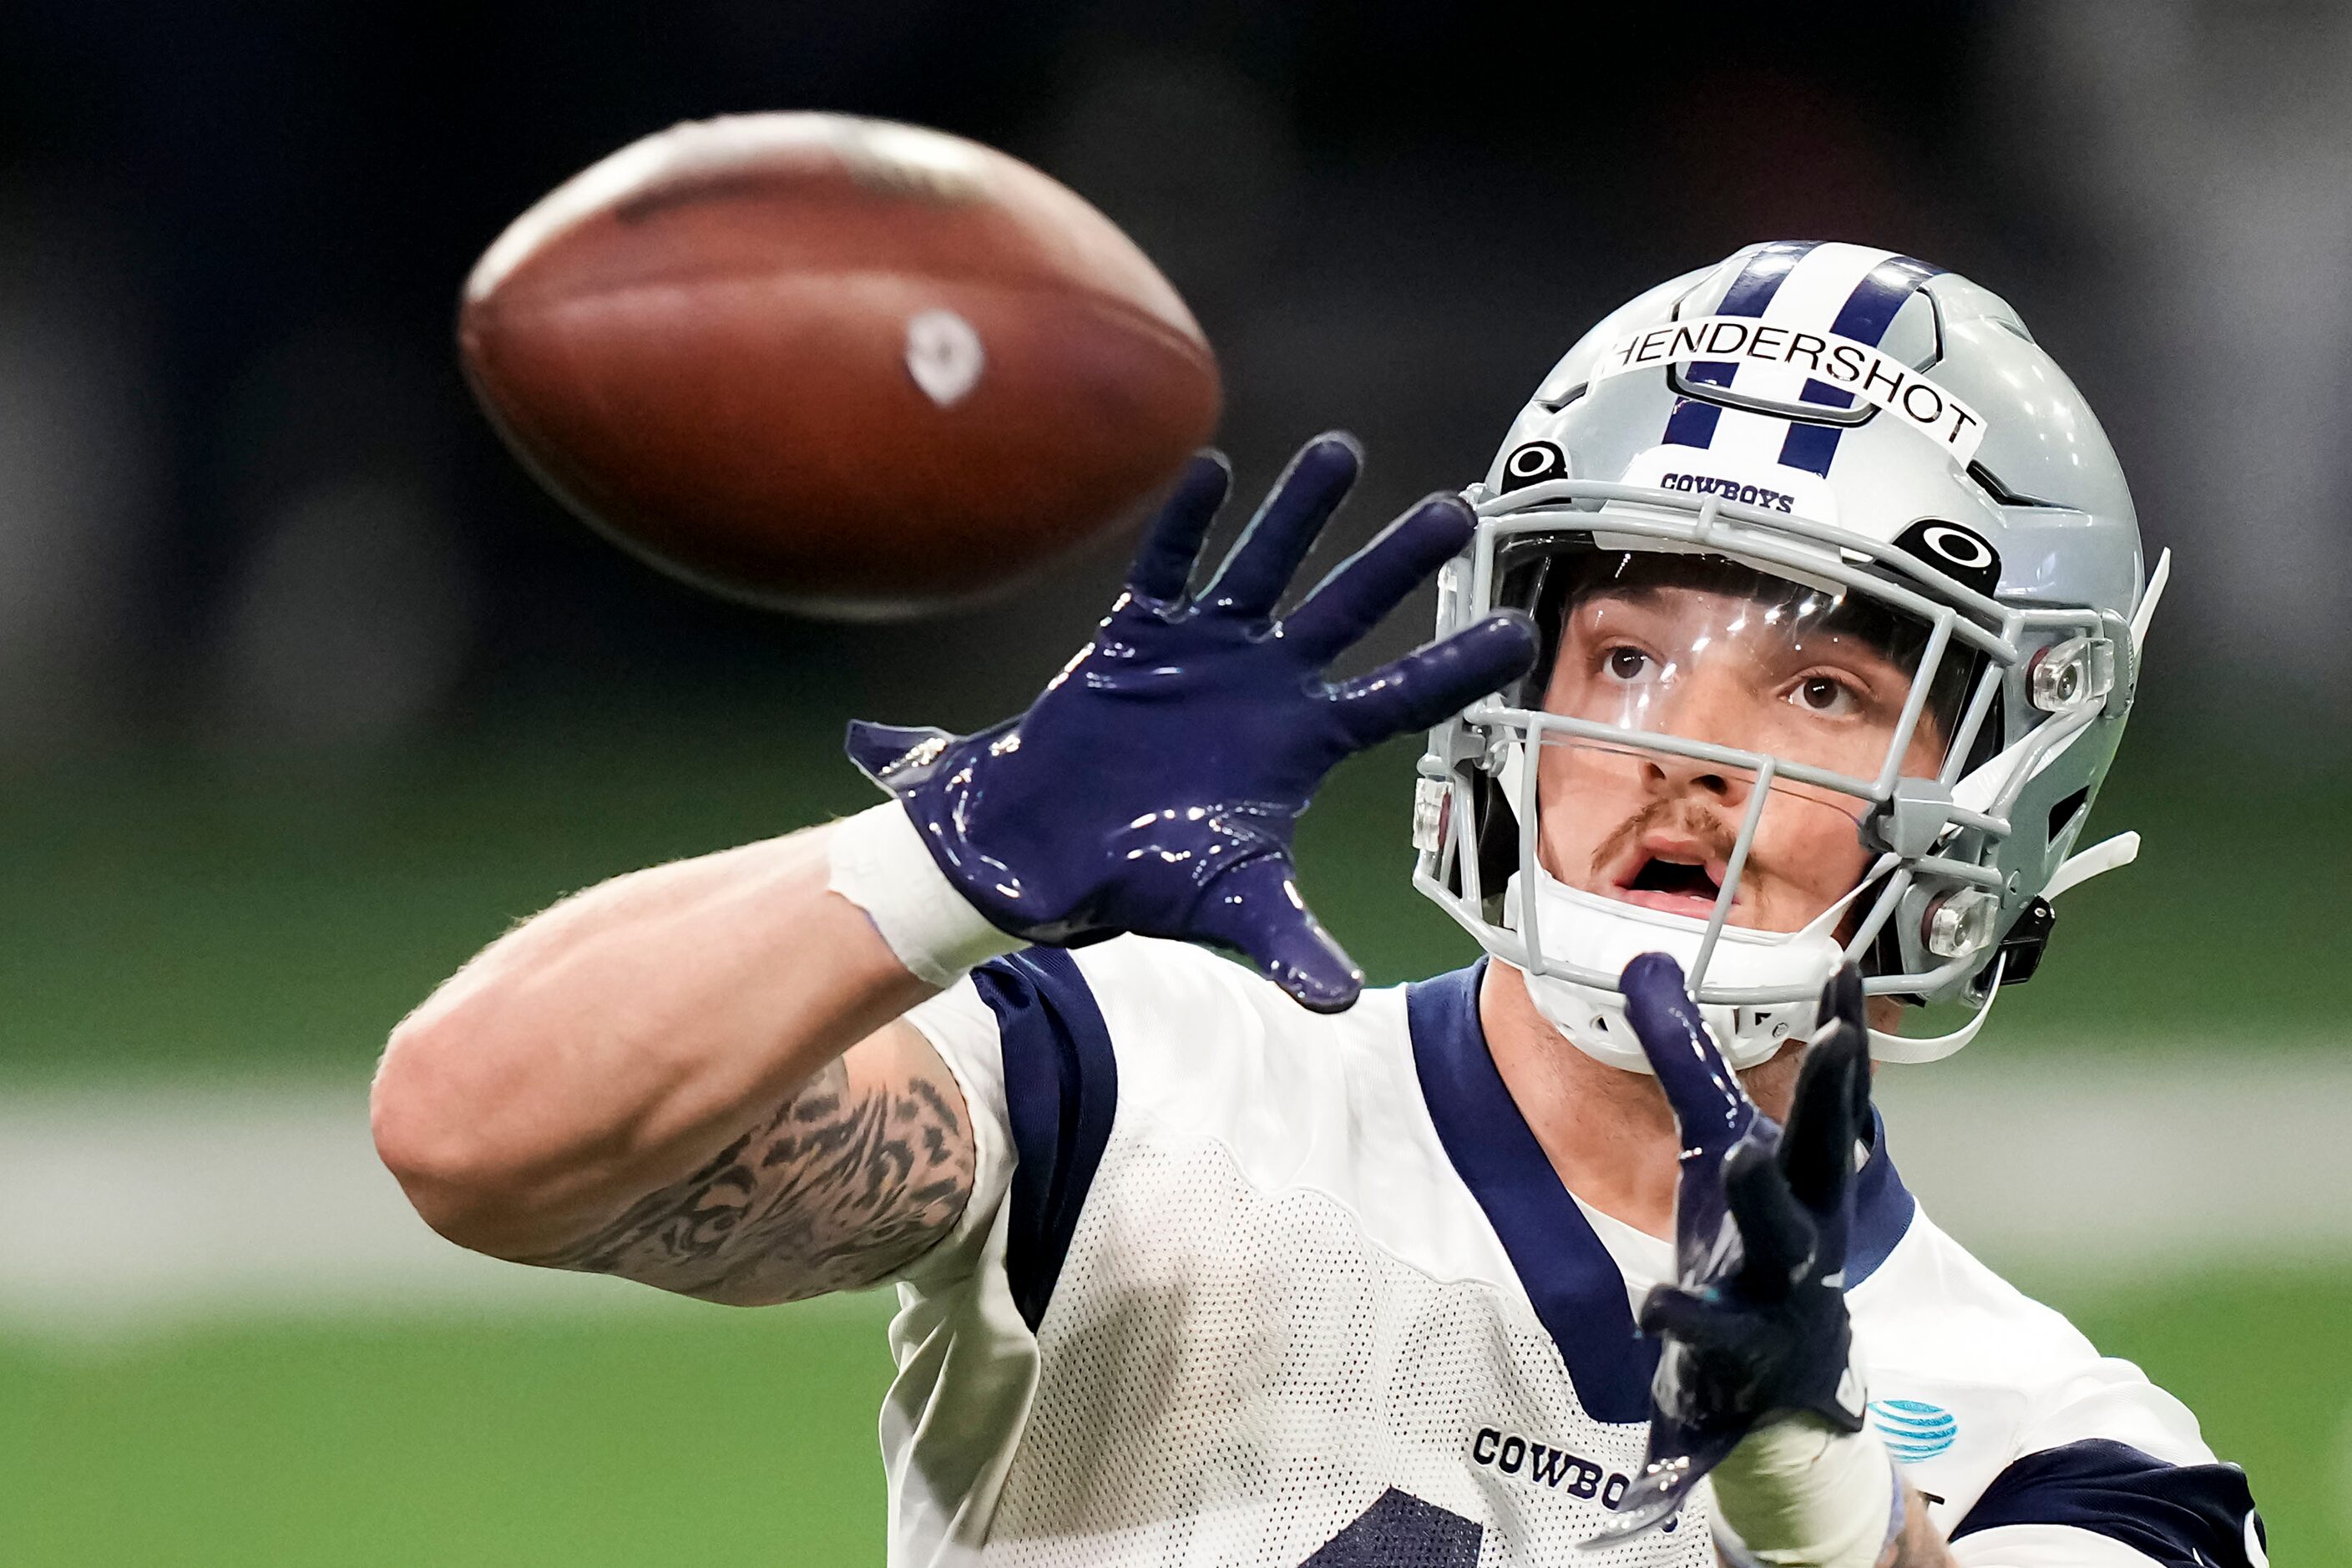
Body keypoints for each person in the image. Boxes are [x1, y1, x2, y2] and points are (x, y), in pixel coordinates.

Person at [372, 241, 2265, 1567]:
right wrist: (944, 859)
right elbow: (473, 1137)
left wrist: (1828, 1506)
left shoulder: (2073, 1447)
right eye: (1616, 657)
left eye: (1822, 688)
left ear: (2007, 774)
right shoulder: (1142, 1087)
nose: (1688, 748)